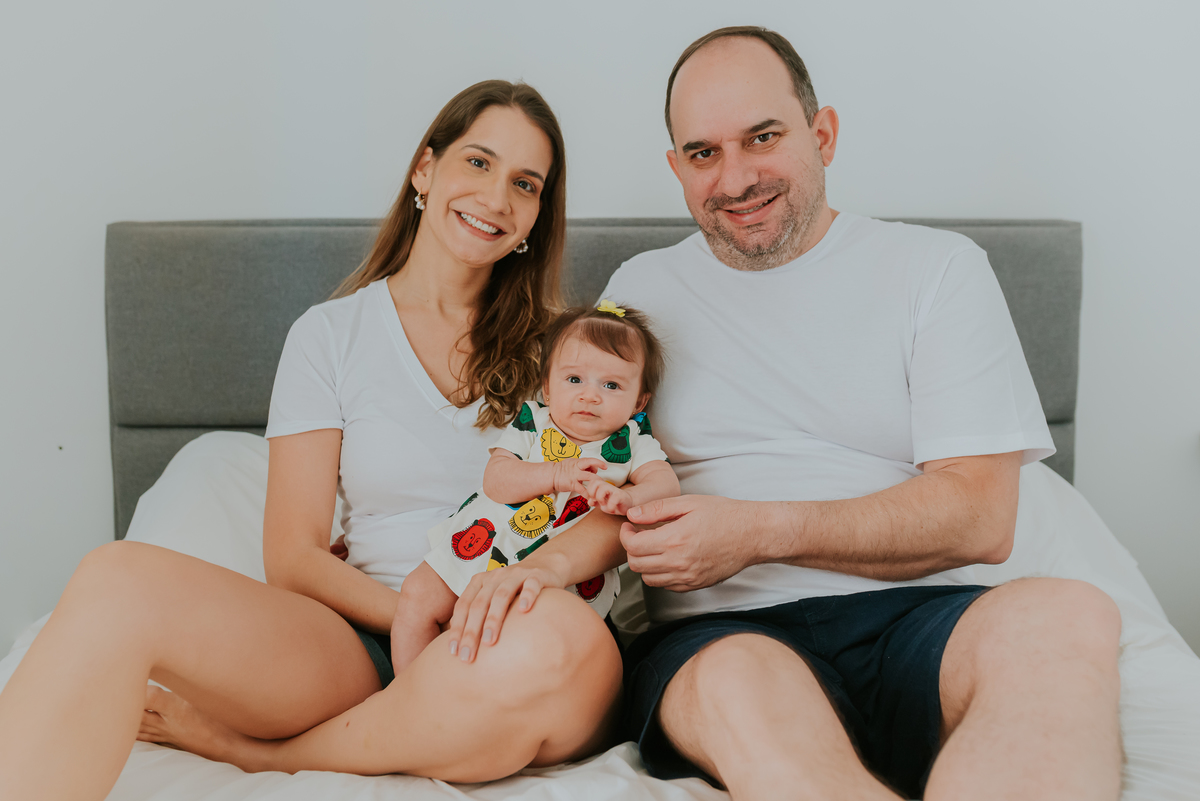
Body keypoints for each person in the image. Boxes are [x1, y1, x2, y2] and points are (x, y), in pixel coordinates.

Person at [0, 80, 627, 800]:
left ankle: (262, 755)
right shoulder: (329, 336)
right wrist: (414, 614)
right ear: (425, 169)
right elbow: (293, 556)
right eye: (478, 162)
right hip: (359, 642)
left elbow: (621, 501)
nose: (496, 197)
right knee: (115, 578)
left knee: (547, 642)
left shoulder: (572, 351)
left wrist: (478, 610)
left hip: (521, 630)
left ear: (538, 214)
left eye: (525, 183)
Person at [605, 26, 1123, 801]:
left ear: (823, 134)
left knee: (1067, 613)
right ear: (677, 168)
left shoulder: (937, 270)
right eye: (704, 153)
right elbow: (578, 467)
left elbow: (982, 517)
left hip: (925, 624)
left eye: (763, 137)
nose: (736, 178)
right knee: (738, 680)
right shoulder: (637, 293)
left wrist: (756, 532)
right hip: (722, 635)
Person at [394, 302, 679, 671]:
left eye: (611, 385)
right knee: (417, 594)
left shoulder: (632, 440)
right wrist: (556, 475)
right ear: (547, 388)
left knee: (513, 645)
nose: (590, 395)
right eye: (574, 380)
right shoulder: (533, 422)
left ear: (638, 401)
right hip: (484, 544)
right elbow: (496, 481)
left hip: (561, 571)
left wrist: (627, 497)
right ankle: (404, 691)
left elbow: (665, 484)